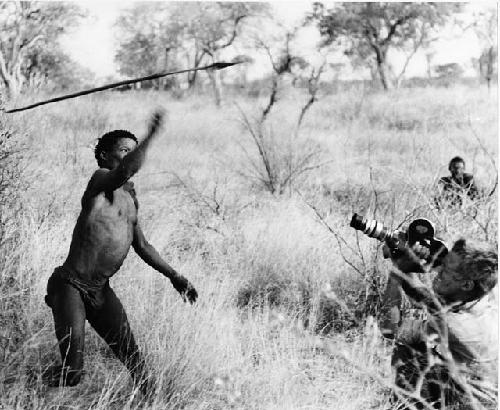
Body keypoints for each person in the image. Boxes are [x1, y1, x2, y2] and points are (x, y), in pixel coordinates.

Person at [44, 110, 198, 393]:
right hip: (71, 286)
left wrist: (175, 276)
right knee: (73, 373)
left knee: (136, 362)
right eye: (124, 151)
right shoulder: (100, 180)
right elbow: (126, 170)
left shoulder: (130, 200)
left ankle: (155, 402)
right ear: (104, 155)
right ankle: (25, 388)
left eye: (131, 151)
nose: (129, 155)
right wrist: (151, 136)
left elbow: (143, 246)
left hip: (101, 290)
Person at [381, 237, 498, 409]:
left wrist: (397, 271)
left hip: (472, 401)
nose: (437, 271)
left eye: (445, 270)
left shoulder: (456, 324)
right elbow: (429, 299)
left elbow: (390, 329)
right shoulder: (485, 290)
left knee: (409, 348)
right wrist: (409, 257)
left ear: (466, 285)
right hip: (487, 389)